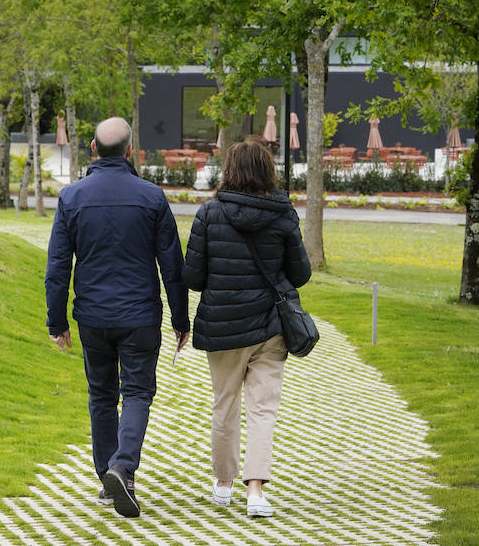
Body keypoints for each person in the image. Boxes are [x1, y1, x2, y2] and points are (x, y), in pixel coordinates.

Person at [44, 117, 190, 518]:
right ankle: (122, 468)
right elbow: (172, 265)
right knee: (138, 392)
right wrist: (181, 319)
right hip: (140, 314)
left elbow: (58, 266)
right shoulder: (152, 197)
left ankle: (107, 479)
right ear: (130, 150)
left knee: (102, 395)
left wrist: (56, 321)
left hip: (92, 316)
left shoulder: (71, 198)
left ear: (93, 148)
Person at [183, 136, 311, 517]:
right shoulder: (283, 213)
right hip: (271, 327)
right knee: (263, 409)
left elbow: (193, 277)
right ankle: (256, 492)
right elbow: (300, 274)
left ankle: (224, 484)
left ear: (229, 171)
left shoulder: (209, 214)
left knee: (225, 405)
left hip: (222, 328)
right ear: (267, 171)